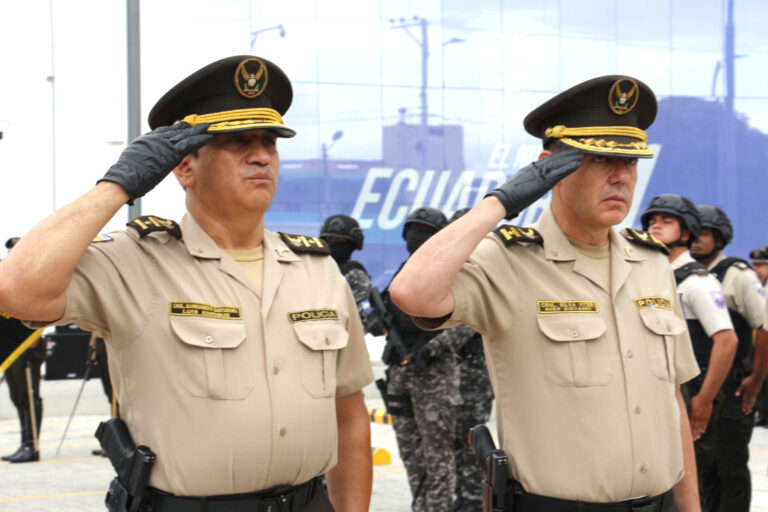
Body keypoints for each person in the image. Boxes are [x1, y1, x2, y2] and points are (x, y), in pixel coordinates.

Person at [0, 55, 374, 512]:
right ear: (183, 167)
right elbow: (16, 289)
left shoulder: (315, 267)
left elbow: (349, 413)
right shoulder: (132, 262)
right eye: (237, 141)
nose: (261, 155)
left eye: (270, 142)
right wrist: (117, 185)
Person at [390, 75, 702, 511]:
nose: (620, 176)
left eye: (630, 161)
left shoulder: (650, 262)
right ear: (549, 169)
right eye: (597, 159)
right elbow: (411, 292)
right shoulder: (510, 261)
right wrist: (501, 202)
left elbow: (671, 402)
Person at [641, 194, 738, 503]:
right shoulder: (652, 274)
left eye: (666, 221)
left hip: (690, 395)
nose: (656, 226)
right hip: (658, 396)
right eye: (652, 221)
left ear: (686, 233)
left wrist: (704, 400)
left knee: (691, 483)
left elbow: (727, 340)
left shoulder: (698, 281)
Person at [381, 206, 461, 512]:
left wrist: (430, 350)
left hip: (434, 376)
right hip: (400, 375)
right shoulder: (402, 273)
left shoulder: (452, 273)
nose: (417, 236)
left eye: (426, 231)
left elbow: (465, 325)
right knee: (411, 455)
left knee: (438, 457)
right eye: (413, 229)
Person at [690, 205, 768, 511]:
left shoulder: (737, 274)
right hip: (695, 386)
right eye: (693, 232)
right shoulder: (683, 273)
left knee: (731, 469)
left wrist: (756, 380)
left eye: (705, 233)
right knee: (702, 470)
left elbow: (764, 326)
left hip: (732, 390)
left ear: (720, 238)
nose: (696, 239)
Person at [445, 208, 494, 512]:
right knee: (450, 454)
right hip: (448, 382)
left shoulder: (488, 275)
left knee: (472, 453)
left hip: (475, 380)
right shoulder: (447, 276)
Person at [0, 236, 46, 464]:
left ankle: (33, 445)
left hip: (28, 345)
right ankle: (24, 442)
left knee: (29, 396)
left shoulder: (34, 277)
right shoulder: (8, 275)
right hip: (13, 348)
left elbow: (43, 309)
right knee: (17, 396)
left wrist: (33, 343)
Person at [319, 214, 373, 332]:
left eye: (339, 240)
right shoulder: (315, 270)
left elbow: (361, 318)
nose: (333, 243)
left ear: (351, 244)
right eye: (329, 239)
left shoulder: (355, 275)